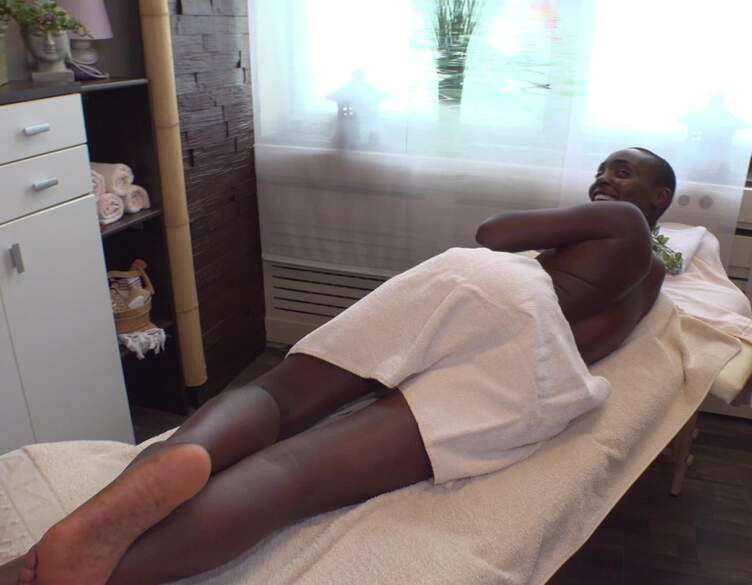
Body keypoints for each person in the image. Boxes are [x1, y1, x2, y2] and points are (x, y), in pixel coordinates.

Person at [0, 147, 676, 585]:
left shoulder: (621, 220)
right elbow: (599, 338)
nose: (604, 180)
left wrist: (571, 221)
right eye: (603, 168)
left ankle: (128, 497)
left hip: (495, 293)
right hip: (537, 368)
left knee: (280, 398)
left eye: (622, 172)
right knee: (294, 476)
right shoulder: (653, 282)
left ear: (656, 198)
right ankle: (86, 572)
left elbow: (496, 233)